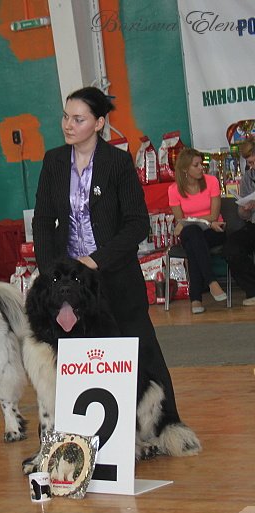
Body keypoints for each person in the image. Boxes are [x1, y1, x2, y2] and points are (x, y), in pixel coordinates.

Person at [32, 86, 196, 455]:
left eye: (79, 119)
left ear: (99, 123)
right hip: (70, 286)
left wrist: (97, 260)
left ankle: (168, 426)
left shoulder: (118, 164)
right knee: (78, 360)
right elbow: (43, 220)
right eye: (66, 117)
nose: (68, 125)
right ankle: (94, 439)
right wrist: (52, 273)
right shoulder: (53, 162)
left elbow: (137, 224)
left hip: (115, 277)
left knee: (142, 351)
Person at [169, 148, 227, 314]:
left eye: (201, 164)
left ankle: (196, 298)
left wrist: (192, 221)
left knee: (192, 238)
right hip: (194, 232)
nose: (202, 167)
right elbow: (181, 220)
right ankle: (211, 282)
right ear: (185, 169)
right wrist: (198, 221)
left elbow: (215, 215)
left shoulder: (212, 181)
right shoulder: (174, 190)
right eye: (196, 165)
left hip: (215, 231)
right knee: (193, 234)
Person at [224, 137, 255, 306]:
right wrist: (244, 209)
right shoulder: (247, 178)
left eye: (253, 161)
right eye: (249, 163)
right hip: (253, 225)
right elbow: (242, 215)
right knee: (231, 248)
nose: (251, 166)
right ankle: (252, 290)